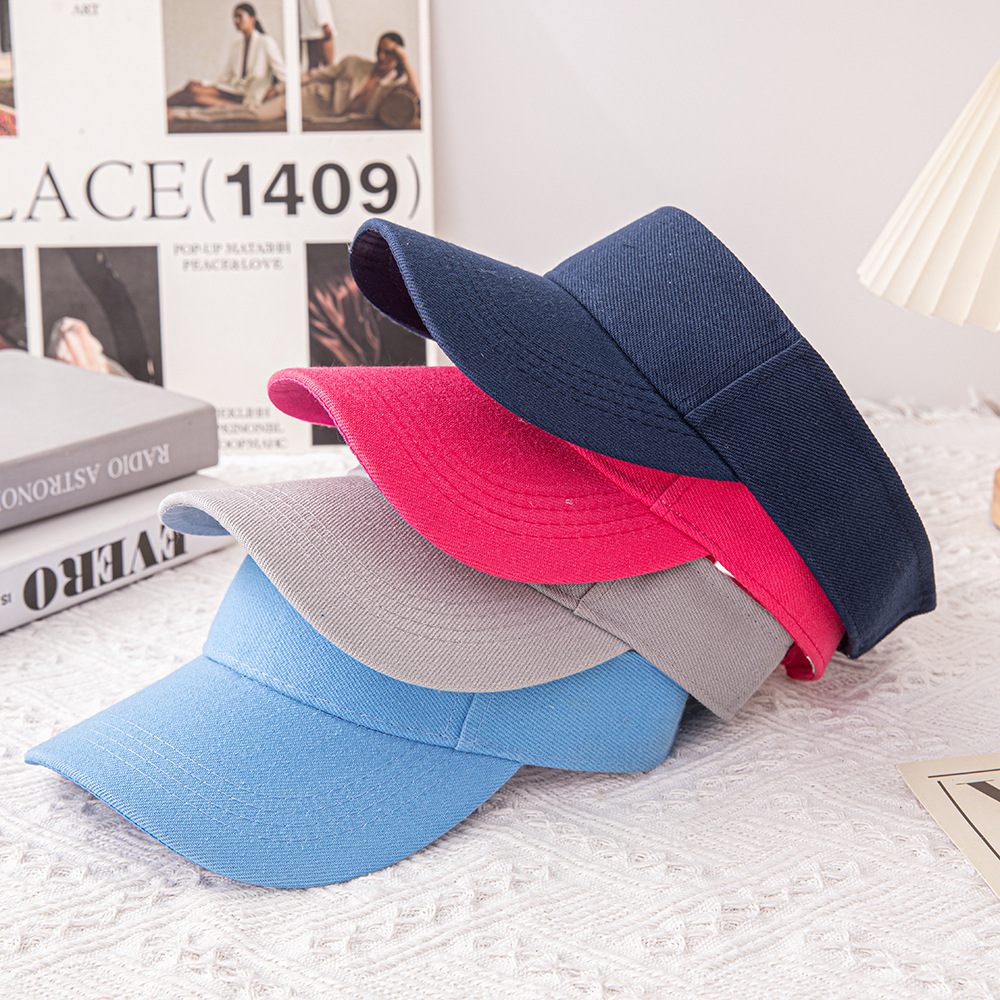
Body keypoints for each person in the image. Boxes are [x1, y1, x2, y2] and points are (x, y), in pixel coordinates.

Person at [167, 4, 285, 110]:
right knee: (192, 89)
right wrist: (202, 83)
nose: (236, 20)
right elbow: (224, 78)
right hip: (235, 92)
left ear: (252, 19)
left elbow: (284, 76)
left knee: (196, 98)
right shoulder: (236, 47)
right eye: (234, 17)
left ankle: (161, 107)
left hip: (250, 98)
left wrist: (276, 90)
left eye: (239, 16)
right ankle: (162, 105)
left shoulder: (266, 42)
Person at [301, 31, 420, 125]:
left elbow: (415, 94)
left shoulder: (396, 83)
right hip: (313, 101)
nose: (381, 56)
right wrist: (289, 84)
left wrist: (405, 60)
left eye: (388, 52)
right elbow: (316, 74)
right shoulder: (354, 63)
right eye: (379, 50)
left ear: (398, 56)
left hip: (346, 124)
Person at [298, 0, 335, 70]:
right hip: (320, 30)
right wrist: (324, 24)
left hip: (314, 28)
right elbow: (317, 4)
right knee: (328, 67)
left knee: (314, 65)